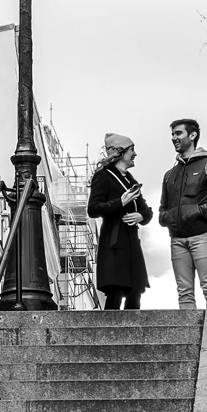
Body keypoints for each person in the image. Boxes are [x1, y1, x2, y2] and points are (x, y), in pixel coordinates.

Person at [158, 118, 207, 309]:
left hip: (203, 236)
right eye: (172, 134)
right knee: (184, 292)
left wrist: (198, 211)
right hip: (177, 239)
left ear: (192, 135)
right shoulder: (170, 174)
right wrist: (168, 218)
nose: (174, 138)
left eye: (178, 133)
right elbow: (162, 209)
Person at [87, 132, 151, 310]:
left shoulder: (130, 180)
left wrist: (141, 216)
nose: (135, 154)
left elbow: (146, 210)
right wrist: (120, 202)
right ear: (121, 152)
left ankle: (134, 335)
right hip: (114, 242)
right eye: (132, 149)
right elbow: (93, 209)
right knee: (115, 290)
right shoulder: (103, 176)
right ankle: (107, 335)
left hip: (131, 241)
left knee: (135, 291)